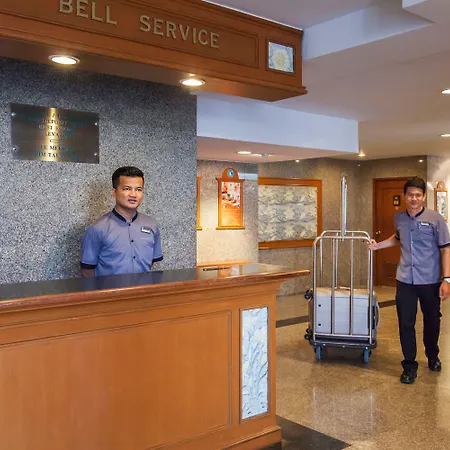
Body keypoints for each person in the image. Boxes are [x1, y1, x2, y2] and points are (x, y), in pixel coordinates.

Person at [368, 176, 450, 384]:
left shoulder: (436, 219)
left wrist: (447, 280)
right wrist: (377, 246)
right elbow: (397, 238)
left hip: (430, 279)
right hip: (405, 279)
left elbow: (445, 249)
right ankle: (409, 366)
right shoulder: (399, 218)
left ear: (423, 197)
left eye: (418, 195)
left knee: (432, 320)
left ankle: (432, 355)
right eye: (410, 195)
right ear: (404, 196)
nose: (414, 198)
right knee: (406, 322)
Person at [80, 166, 163, 278]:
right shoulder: (97, 229)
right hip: (109, 289)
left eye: (138, 189)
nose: (133, 194)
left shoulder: (151, 225)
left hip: (144, 288)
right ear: (114, 192)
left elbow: (151, 261)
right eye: (127, 189)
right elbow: (87, 271)